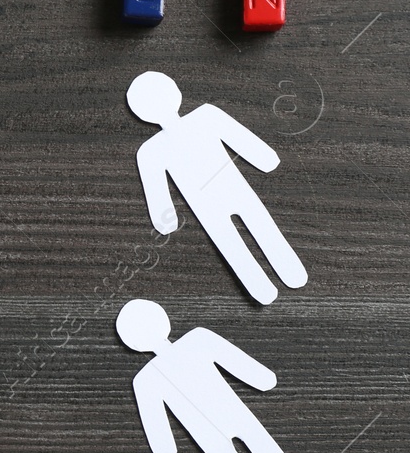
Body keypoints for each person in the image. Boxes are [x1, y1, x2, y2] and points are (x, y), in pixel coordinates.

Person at [117, 298, 312, 453]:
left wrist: (166, 450)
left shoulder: (146, 378)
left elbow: (157, 430)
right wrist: (263, 379)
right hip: (232, 414)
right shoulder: (196, 340)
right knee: (262, 451)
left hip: (208, 430)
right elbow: (240, 363)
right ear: (164, 319)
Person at [128, 70, 306, 305]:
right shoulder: (202, 119)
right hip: (222, 198)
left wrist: (166, 223)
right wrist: (266, 159)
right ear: (176, 94)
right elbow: (249, 144)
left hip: (214, 203)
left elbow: (158, 194)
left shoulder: (153, 149)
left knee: (238, 240)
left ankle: (276, 282)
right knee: (252, 233)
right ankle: (280, 279)